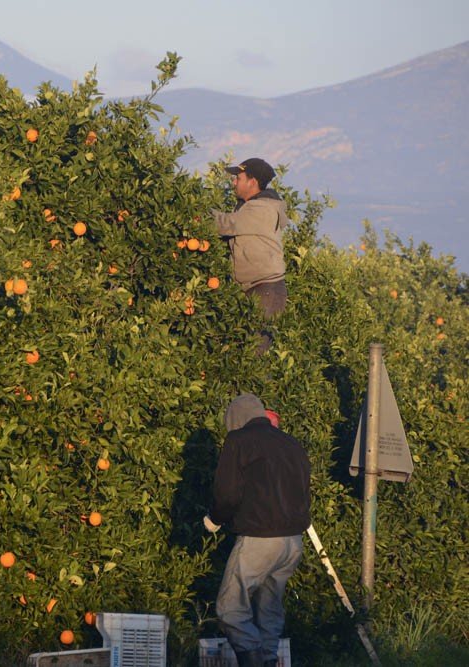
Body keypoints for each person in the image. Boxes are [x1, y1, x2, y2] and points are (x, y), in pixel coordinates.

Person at [204, 393, 311, 667]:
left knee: (230, 607)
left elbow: (227, 493)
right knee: (269, 607)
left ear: (235, 419)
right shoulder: (291, 444)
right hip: (293, 542)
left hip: (260, 539)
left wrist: (215, 519)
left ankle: (252, 660)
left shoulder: (238, 441)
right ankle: (268, 659)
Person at [212, 158, 289, 353]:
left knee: (252, 356)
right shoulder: (250, 206)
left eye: (238, 178)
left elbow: (225, 224)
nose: (234, 182)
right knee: (242, 350)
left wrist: (193, 210)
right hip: (257, 288)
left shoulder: (261, 209)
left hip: (265, 290)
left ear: (252, 182)